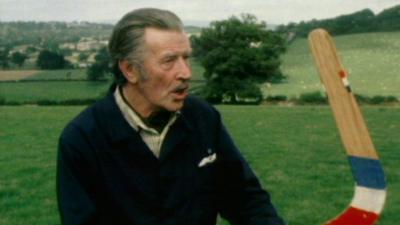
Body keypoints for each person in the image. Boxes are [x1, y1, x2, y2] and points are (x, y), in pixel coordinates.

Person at [57, 8, 285, 225]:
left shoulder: (203, 117)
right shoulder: (82, 139)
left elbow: (246, 200)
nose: (186, 73)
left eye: (186, 58)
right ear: (130, 70)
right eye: (169, 61)